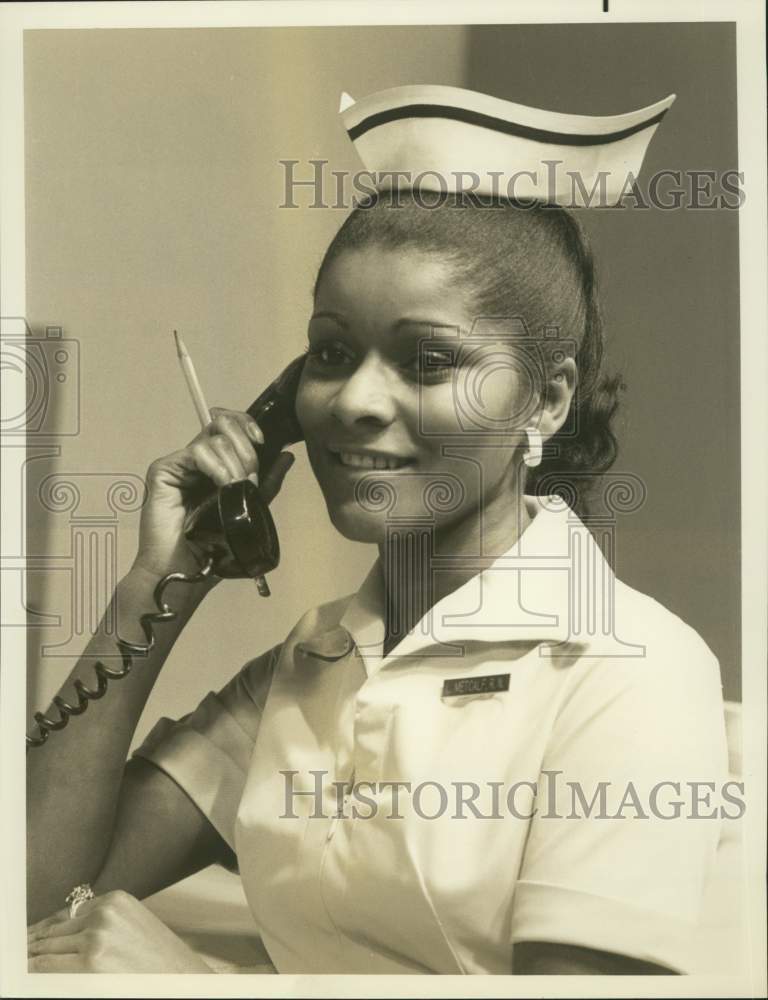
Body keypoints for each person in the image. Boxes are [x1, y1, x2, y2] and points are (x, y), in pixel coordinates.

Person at [26, 92, 729, 976]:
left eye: (427, 361)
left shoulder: (632, 671)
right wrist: (156, 584)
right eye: (329, 353)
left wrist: (201, 984)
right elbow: (30, 893)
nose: (354, 401)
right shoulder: (312, 664)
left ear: (546, 399)